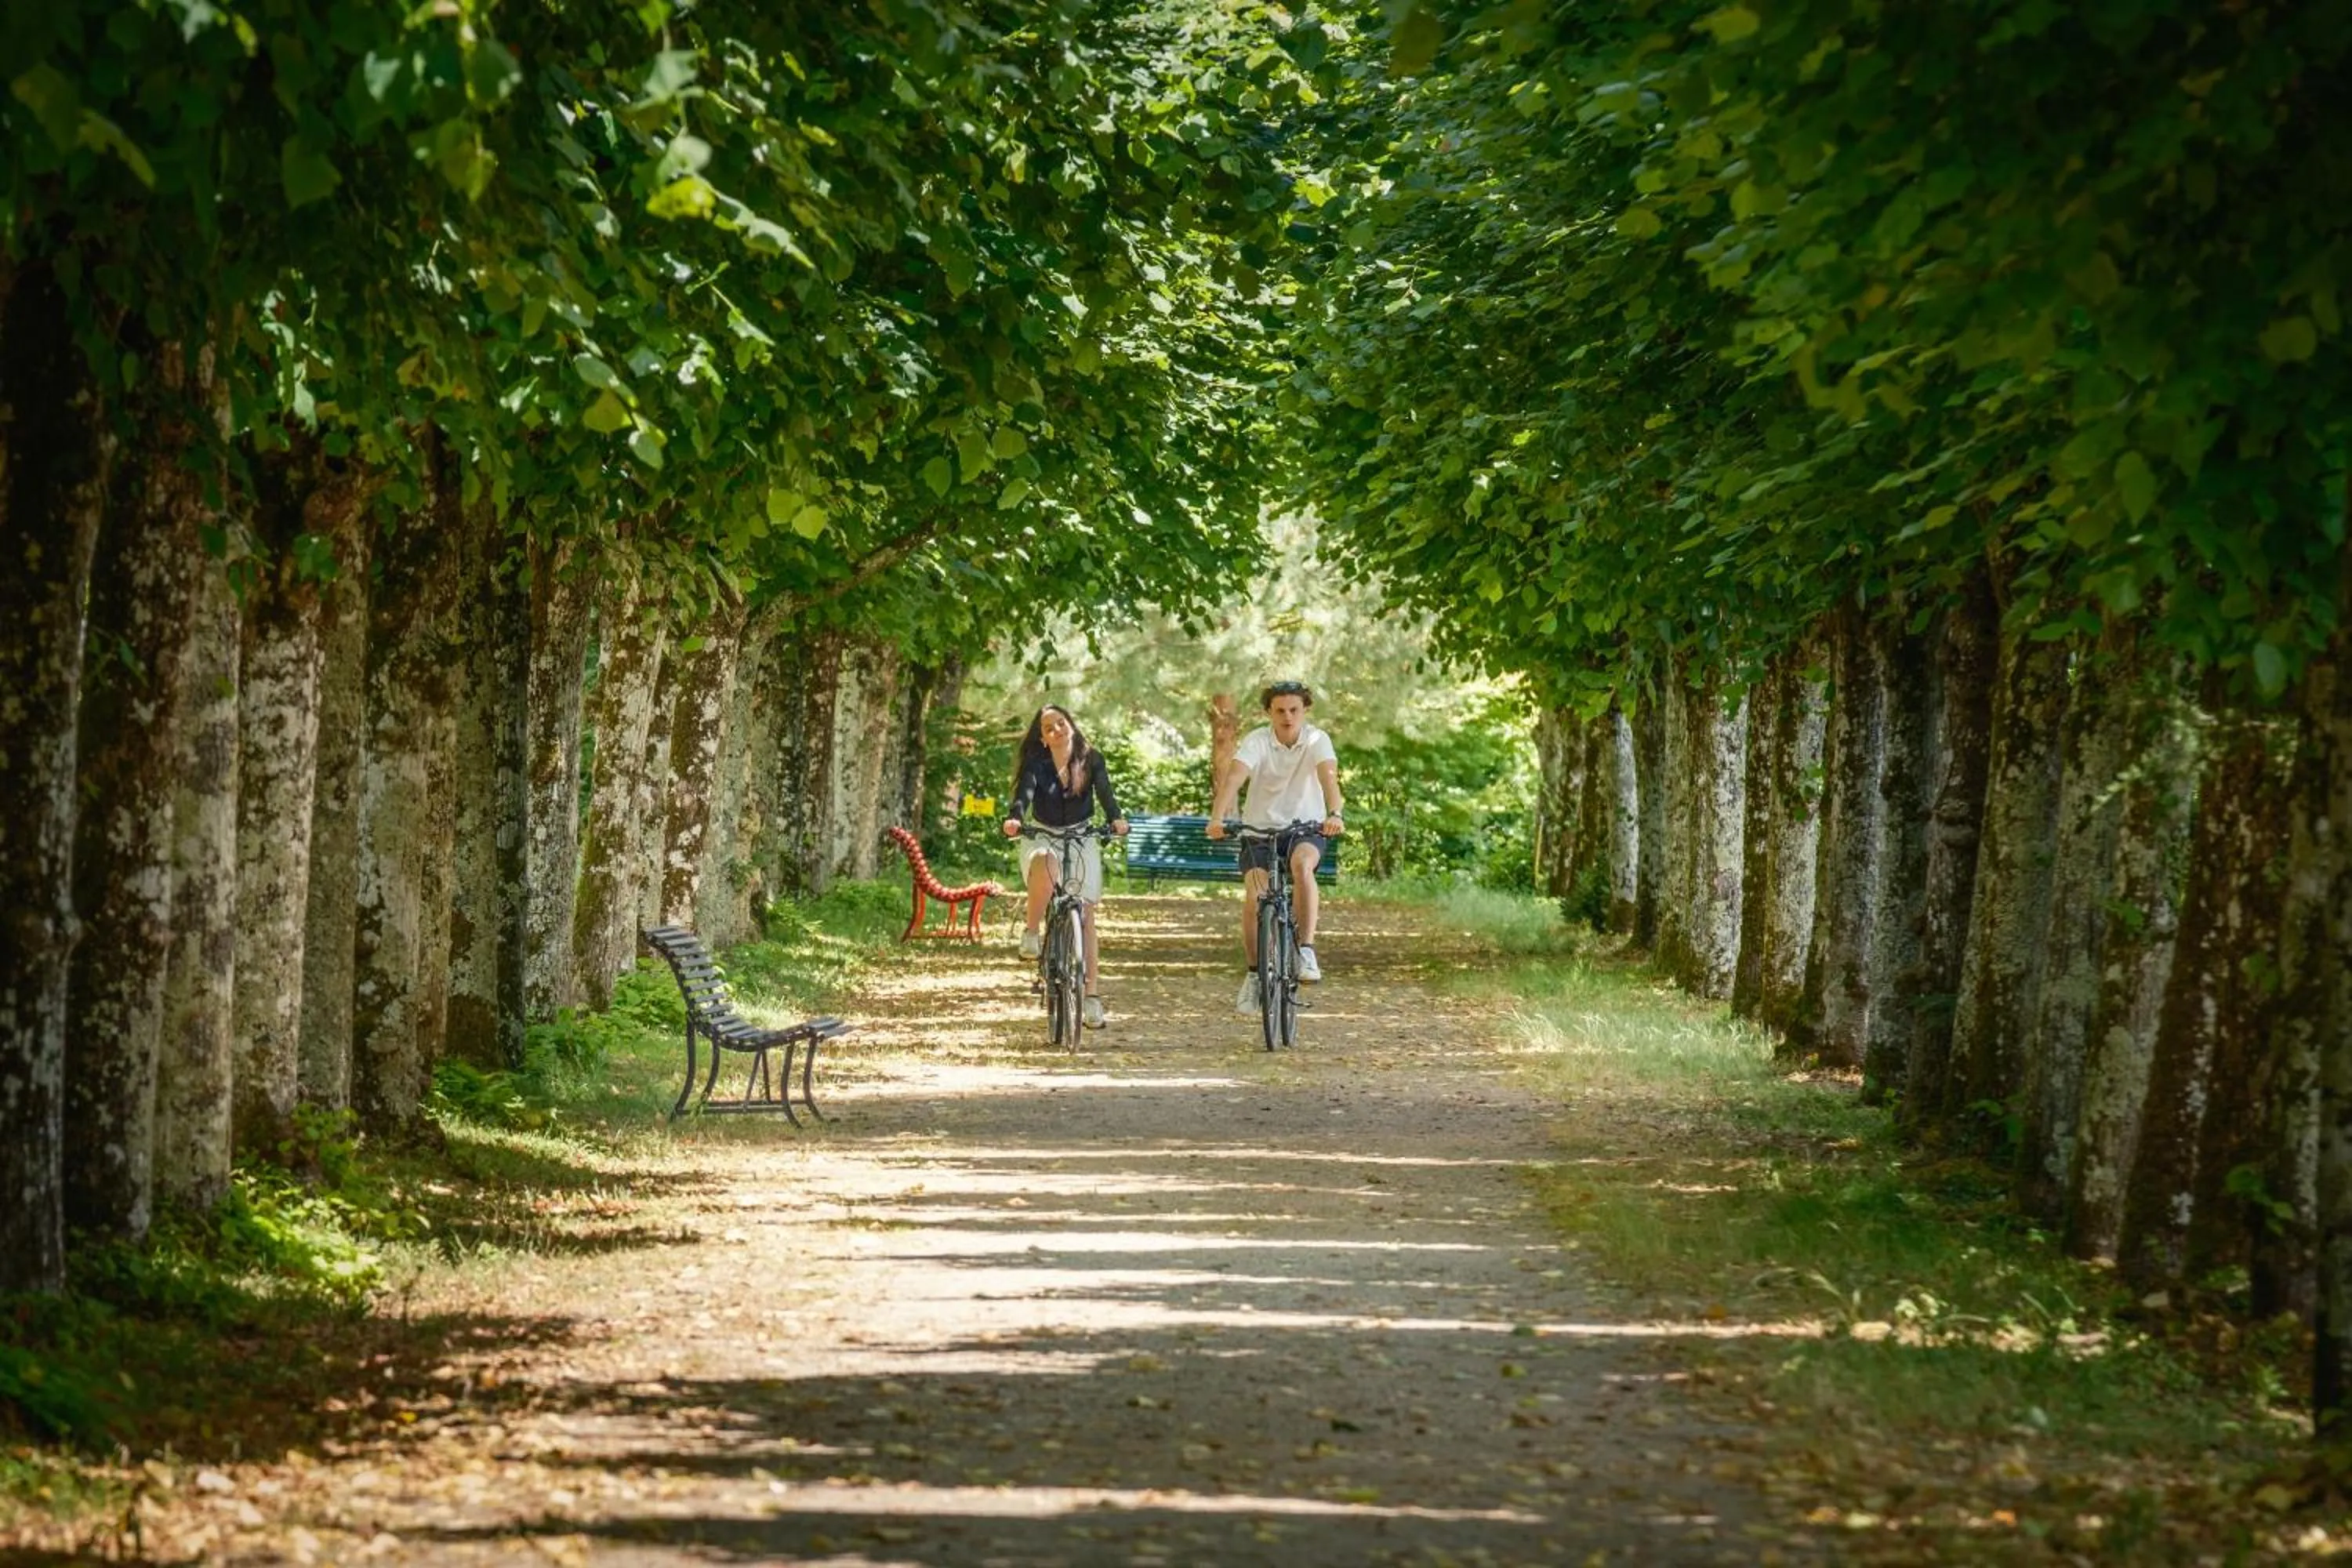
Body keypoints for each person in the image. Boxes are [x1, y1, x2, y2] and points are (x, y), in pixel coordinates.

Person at [1206, 680, 1344, 1014]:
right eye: (1280, 710)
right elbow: (1235, 778)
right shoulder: (1257, 741)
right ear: (1269, 712)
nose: (1287, 717)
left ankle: (1306, 950)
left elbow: (1329, 778)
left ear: (1305, 710)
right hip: (1259, 830)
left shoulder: (1316, 739)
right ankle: (1254, 975)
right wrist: (1217, 818)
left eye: (1294, 710)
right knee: (1255, 897)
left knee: (1302, 866)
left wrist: (1335, 813)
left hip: (1305, 828)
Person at [1002, 704, 1130, 1029]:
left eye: (1061, 723)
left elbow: (1105, 793)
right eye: (1049, 728)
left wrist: (1115, 818)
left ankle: (1092, 997)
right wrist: (1016, 818)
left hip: (1081, 835)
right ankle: (1032, 933)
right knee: (1046, 864)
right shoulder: (1038, 764)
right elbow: (1024, 794)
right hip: (1043, 834)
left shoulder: (1091, 759)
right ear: (1043, 738)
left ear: (1071, 725)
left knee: (1085, 914)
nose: (1057, 730)